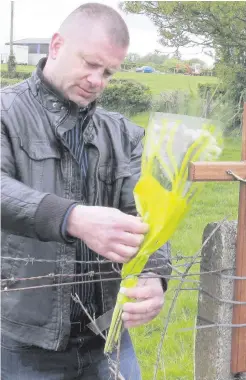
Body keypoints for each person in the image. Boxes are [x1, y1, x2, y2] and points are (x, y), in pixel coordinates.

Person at [1, 3, 171, 379]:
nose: (97, 80)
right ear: (57, 45)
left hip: (106, 338)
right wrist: (71, 217)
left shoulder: (123, 133)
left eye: (108, 72)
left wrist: (154, 273)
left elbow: (147, 211)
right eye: (90, 64)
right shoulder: (5, 111)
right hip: (21, 342)